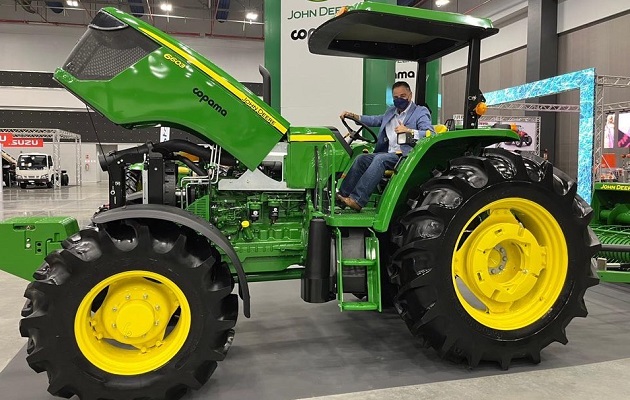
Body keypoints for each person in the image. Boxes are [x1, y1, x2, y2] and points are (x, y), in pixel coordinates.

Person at [337, 81, 433, 211]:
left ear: (410, 95)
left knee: (380, 160)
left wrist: (409, 131)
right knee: (361, 158)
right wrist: (354, 116)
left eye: (403, 96)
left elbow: (430, 134)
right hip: (388, 153)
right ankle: (342, 196)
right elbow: (374, 120)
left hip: (406, 156)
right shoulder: (391, 112)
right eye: (396, 97)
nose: (399, 99)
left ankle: (358, 200)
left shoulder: (420, 112)